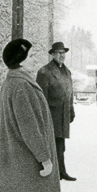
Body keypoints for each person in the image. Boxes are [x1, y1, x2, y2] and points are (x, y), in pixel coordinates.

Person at [0, 38, 67, 192]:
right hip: (26, 153)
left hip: (22, 152)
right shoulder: (21, 85)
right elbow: (29, 125)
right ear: (22, 59)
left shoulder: (16, 82)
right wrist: (43, 156)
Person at [37, 40, 77, 181]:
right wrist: (44, 116)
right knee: (51, 144)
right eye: (58, 53)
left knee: (61, 144)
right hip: (51, 114)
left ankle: (61, 171)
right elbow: (42, 98)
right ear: (52, 54)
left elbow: (70, 93)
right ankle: (51, 172)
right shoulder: (45, 72)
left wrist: (71, 110)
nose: (61, 55)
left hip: (63, 114)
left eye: (63, 53)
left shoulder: (67, 72)